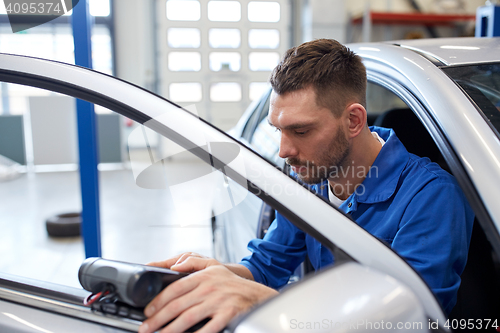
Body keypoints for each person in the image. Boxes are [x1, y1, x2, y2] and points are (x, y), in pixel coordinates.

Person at [138, 39, 474, 333]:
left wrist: (262, 300)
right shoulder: (309, 181)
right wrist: (219, 273)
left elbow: (413, 321)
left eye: (300, 131)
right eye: (277, 130)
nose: (284, 152)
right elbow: (267, 265)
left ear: (354, 120)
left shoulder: (431, 196)